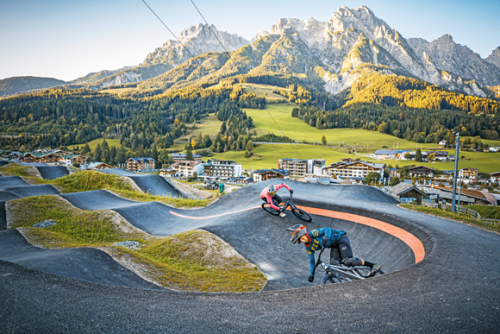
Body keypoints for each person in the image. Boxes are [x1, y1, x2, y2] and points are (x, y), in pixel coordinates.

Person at [287, 224, 381, 282]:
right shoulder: (308, 247)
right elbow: (312, 261)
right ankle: (349, 279)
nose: (301, 241)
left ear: (299, 234)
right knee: (334, 263)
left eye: (299, 239)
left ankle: (373, 265)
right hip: (334, 245)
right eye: (299, 241)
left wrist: (326, 237)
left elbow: (327, 229)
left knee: (347, 261)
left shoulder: (311, 234)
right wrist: (312, 274)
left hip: (340, 238)